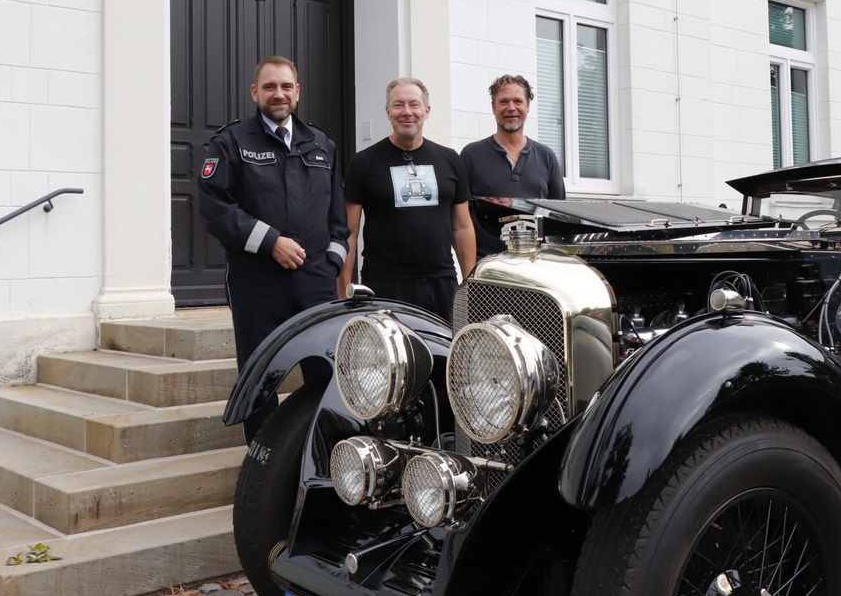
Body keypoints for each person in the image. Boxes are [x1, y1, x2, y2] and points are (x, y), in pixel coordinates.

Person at [197, 56, 349, 442]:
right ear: (255, 93)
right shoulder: (231, 142)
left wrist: (332, 260)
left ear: (297, 92)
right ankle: (264, 467)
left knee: (326, 369)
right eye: (269, 87)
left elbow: (338, 218)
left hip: (315, 280)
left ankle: (326, 452)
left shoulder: (321, 144)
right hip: (257, 280)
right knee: (261, 374)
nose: (278, 94)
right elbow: (215, 208)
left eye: (285, 86)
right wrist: (270, 243)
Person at [339, 77, 475, 321]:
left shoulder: (450, 160)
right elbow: (348, 232)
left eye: (414, 104)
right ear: (388, 111)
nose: (407, 112)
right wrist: (343, 290)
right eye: (399, 105)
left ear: (427, 111)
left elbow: (462, 227)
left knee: (443, 356)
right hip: (385, 286)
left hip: (440, 283)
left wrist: (469, 284)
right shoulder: (363, 163)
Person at [459, 73, 566, 257]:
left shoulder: (546, 156)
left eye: (518, 101)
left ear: (528, 106)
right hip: (488, 267)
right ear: (493, 107)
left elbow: (560, 219)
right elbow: (459, 220)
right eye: (503, 102)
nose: (511, 108)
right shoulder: (471, 155)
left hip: (537, 265)